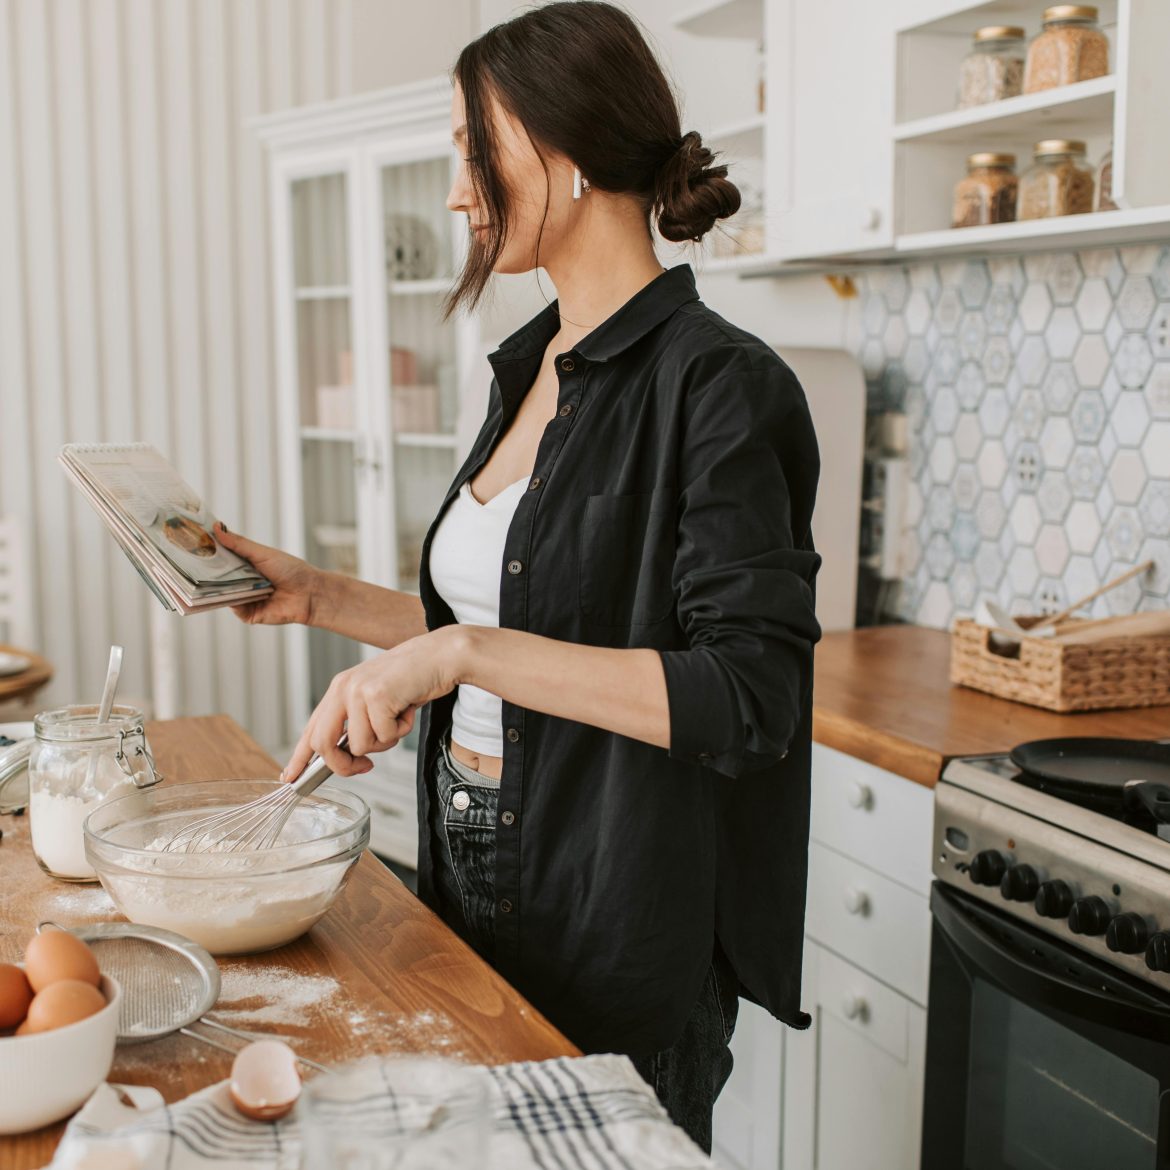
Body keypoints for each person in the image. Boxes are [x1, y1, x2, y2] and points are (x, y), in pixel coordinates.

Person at [217, 0, 821, 1151]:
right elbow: (525, 620)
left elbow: (748, 700)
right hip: (472, 853)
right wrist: (320, 596)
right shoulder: (528, 369)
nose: (457, 192)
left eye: (470, 151)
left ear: (570, 151)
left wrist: (458, 652)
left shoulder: (725, 389)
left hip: (619, 888)